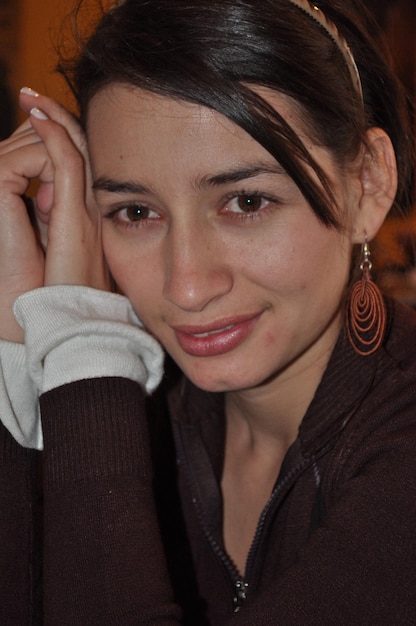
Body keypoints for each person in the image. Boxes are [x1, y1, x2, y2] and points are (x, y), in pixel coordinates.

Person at [0, 0, 415, 623]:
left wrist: (85, 352)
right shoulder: (136, 394)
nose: (187, 287)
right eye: (135, 213)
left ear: (366, 184)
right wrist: (15, 348)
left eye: (246, 201)